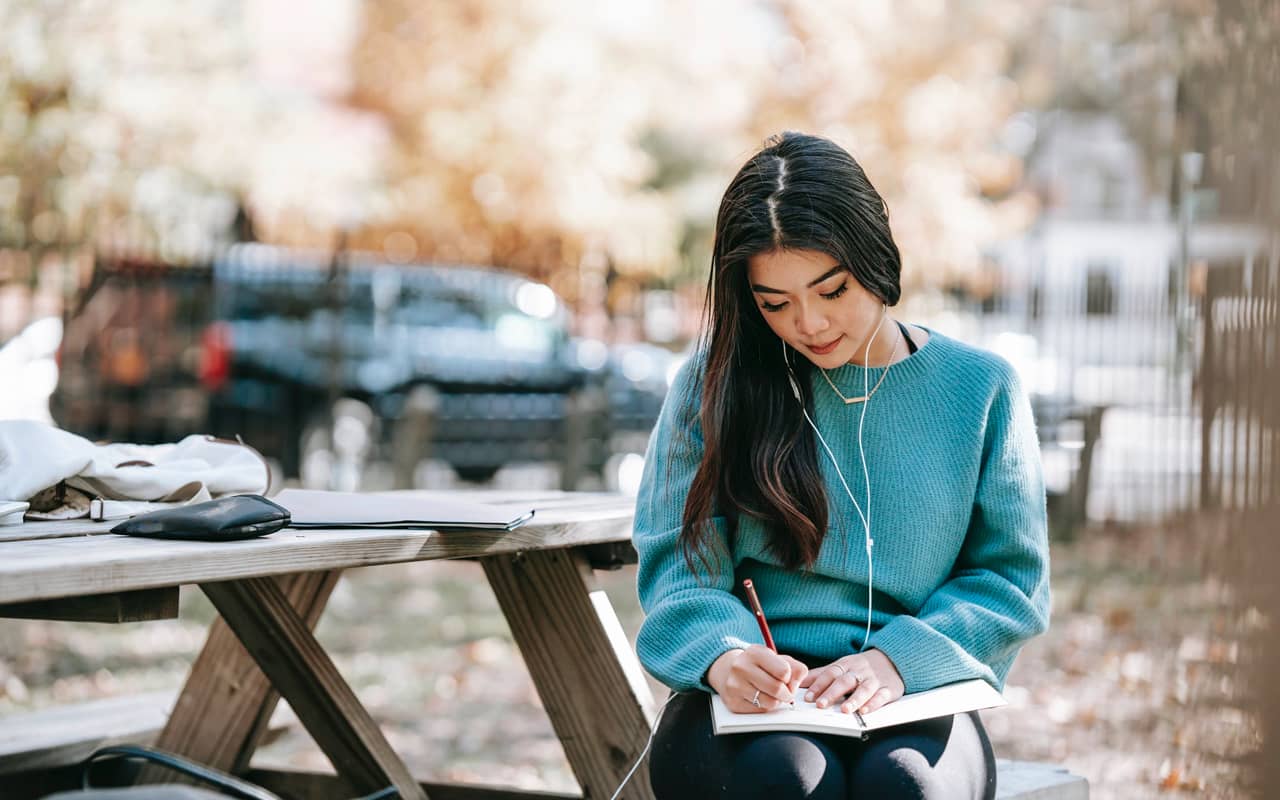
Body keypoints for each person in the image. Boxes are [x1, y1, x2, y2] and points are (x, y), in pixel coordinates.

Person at [632, 131, 1051, 799]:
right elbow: (679, 570)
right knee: (788, 781)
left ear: (875, 252)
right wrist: (724, 655)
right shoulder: (713, 385)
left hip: (914, 693)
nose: (811, 323)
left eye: (833, 289)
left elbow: (1010, 581)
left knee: (905, 787)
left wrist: (898, 660)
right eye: (775, 303)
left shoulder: (983, 390)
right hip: (752, 703)